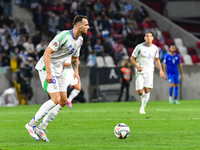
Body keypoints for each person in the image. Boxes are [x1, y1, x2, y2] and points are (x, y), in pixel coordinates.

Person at [25, 15, 90, 142]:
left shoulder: (80, 40)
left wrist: (76, 72)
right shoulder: (63, 37)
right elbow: (47, 53)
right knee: (55, 99)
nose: (88, 27)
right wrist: (49, 73)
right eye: (86, 25)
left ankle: (42, 128)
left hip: (59, 70)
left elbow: (75, 58)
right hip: (46, 68)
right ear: (79, 25)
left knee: (63, 101)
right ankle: (31, 124)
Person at [130, 31, 164, 114]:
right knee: (140, 92)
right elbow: (132, 58)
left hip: (149, 71)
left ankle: (142, 108)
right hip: (140, 71)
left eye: (150, 36)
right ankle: (143, 97)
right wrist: (137, 67)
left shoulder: (155, 48)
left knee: (147, 90)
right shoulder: (139, 47)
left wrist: (161, 70)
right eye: (147, 36)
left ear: (152, 38)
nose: (148, 37)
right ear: (144, 38)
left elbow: (157, 59)